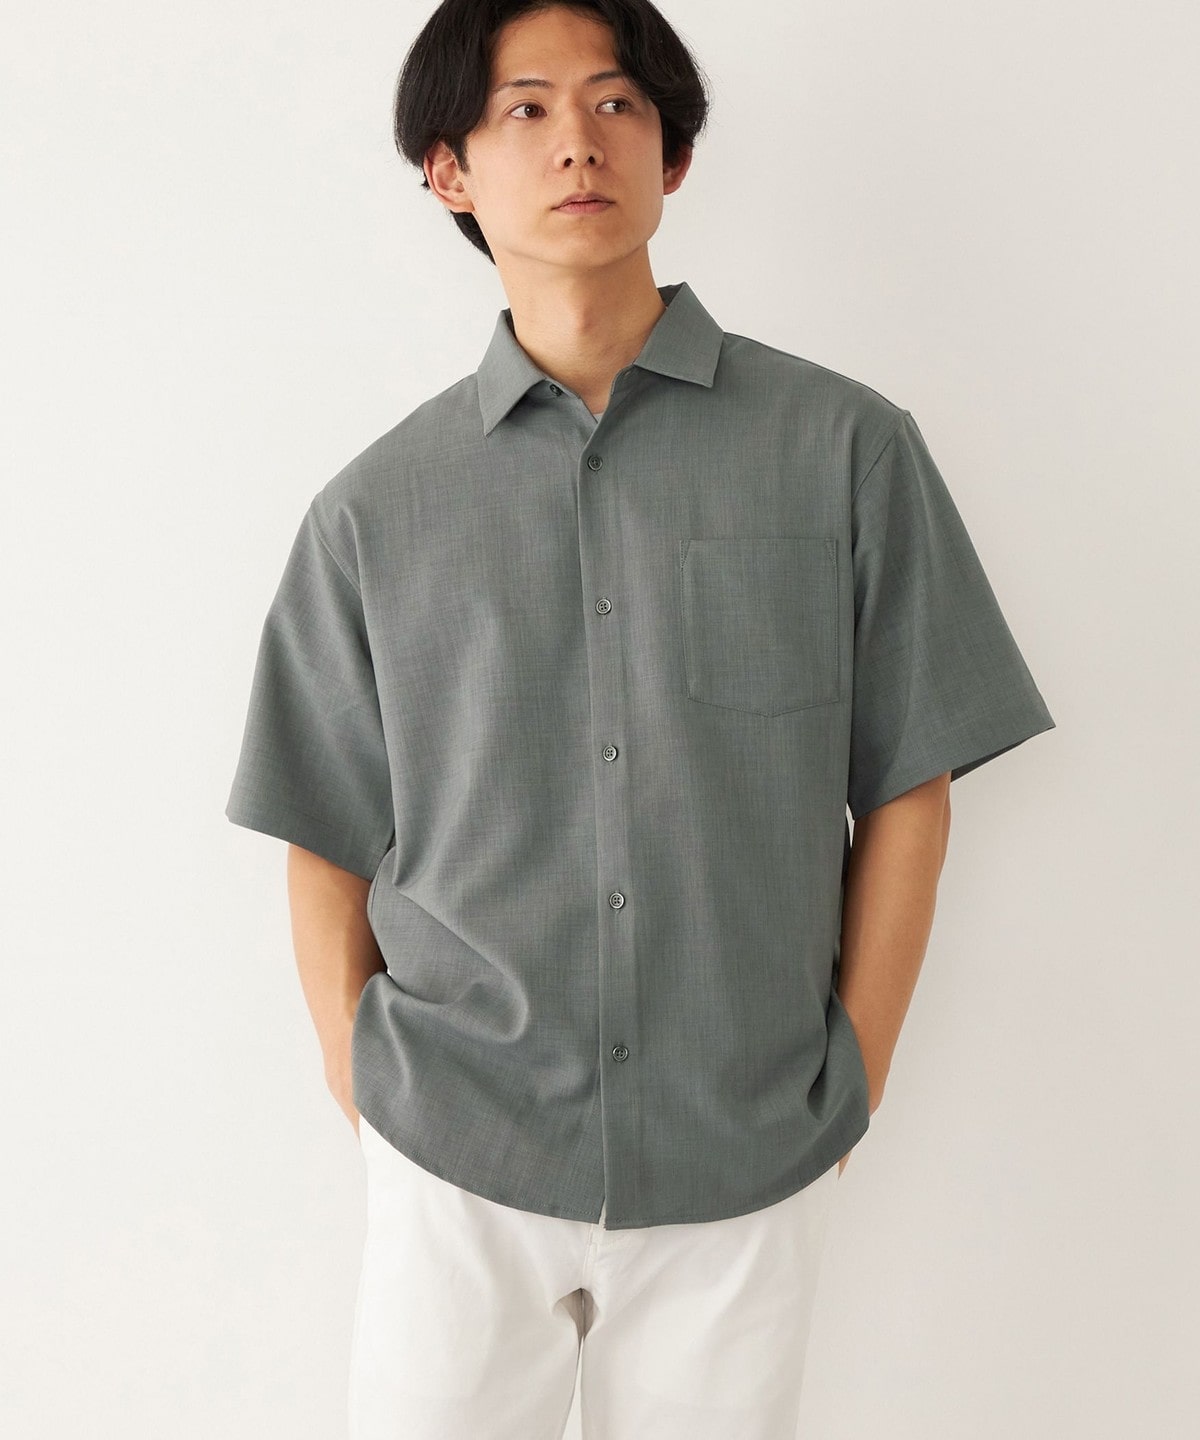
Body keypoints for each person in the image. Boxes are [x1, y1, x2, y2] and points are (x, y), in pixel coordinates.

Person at [225, 1, 1056, 1435]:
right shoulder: (373, 509)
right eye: (526, 109)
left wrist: (853, 1076)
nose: (579, 142)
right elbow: (324, 829)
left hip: (742, 1147)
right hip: (457, 1145)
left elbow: (909, 782)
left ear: (673, 156)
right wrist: (363, 1085)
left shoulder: (846, 449)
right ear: (448, 171)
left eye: (617, 104)